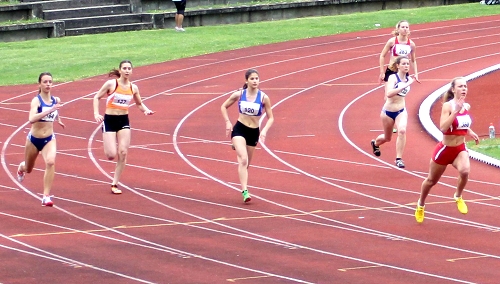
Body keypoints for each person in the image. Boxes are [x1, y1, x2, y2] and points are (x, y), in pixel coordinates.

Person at [414, 77, 479, 223]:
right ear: (453, 89)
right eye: (461, 86)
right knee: (431, 181)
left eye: (465, 86)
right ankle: (420, 205)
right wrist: (455, 112)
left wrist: (470, 131)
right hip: (445, 150)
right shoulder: (448, 107)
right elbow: (443, 128)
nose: (464, 89)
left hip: (460, 149)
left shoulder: (466, 106)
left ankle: (458, 196)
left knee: (465, 171)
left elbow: (462, 123)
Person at [93, 60, 154, 194]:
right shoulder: (111, 84)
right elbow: (96, 97)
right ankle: (110, 154)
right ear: (120, 71)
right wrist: (96, 113)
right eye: (124, 68)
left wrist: (146, 110)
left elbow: (139, 103)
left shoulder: (134, 88)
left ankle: (115, 184)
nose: (127, 70)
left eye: (129, 68)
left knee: (123, 152)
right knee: (111, 155)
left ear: (132, 71)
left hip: (123, 121)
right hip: (109, 120)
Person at [220, 69, 274, 203]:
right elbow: (223, 106)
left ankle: (238, 146)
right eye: (252, 79)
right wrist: (227, 122)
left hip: (253, 132)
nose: (255, 81)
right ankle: (245, 191)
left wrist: (265, 130)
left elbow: (271, 117)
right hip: (240, 129)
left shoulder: (263, 97)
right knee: (243, 159)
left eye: (257, 78)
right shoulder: (239, 94)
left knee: (246, 164)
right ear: (246, 81)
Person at [17, 72, 65, 207]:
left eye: (50, 82)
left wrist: (59, 119)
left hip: (49, 139)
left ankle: (45, 196)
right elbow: (31, 119)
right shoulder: (36, 100)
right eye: (45, 82)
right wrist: (50, 110)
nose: (48, 84)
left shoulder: (56, 100)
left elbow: (56, 111)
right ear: (40, 84)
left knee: (50, 162)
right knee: (28, 168)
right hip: (33, 140)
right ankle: (21, 167)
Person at [371, 56, 415, 168]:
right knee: (387, 138)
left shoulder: (409, 78)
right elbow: (389, 94)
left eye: (407, 64)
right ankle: (375, 144)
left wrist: (410, 81)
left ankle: (398, 159)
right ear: (398, 66)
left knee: (402, 131)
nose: (406, 66)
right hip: (388, 112)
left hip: (401, 110)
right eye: (404, 64)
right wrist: (406, 84)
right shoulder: (393, 78)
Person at [379, 20, 419, 85]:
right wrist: (382, 72)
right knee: (388, 94)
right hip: (391, 70)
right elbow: (382, 56)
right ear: (398, 29)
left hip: (403, 72)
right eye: (403, 27)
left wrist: (416, 74)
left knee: (401, 94)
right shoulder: (392, 41)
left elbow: (413, 60)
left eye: (407, 27)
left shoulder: (411, 44)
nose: (405, 29)